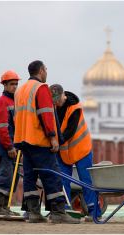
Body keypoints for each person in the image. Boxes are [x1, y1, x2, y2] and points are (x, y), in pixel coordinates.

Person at [13, 60, 80, 224]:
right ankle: (58, 213)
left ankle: (34, 213)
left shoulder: (20, 90)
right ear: (41, 71)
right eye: (46, 70)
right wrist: (52, 137)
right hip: (39, 140)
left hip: (23, 140)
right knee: (52, 175)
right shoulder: (41, 88)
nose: (47, 72)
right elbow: (46, 114)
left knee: (29, 176)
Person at [49, 84, 102, 222]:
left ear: (64, 95)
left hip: (81, 148)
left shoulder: (75, 108)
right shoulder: (54, 107)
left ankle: (94, 212)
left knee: (86, 180)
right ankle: (64, 211)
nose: (57, 102)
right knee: (62, 180)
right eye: (54, 100)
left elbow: (69, 131)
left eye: (58, 99)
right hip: (65, 150)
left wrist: (55, 142)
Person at [0, 70, 22, 218]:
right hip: (7, 148)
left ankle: (5, 207)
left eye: (16, 84)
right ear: (4, 84)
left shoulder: (14, 101)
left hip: (14, 147)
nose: (15, 87)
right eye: (12, 84)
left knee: (13, 178)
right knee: (5, 176)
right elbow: (2, 128)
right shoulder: (3, 101)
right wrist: (9, 146)